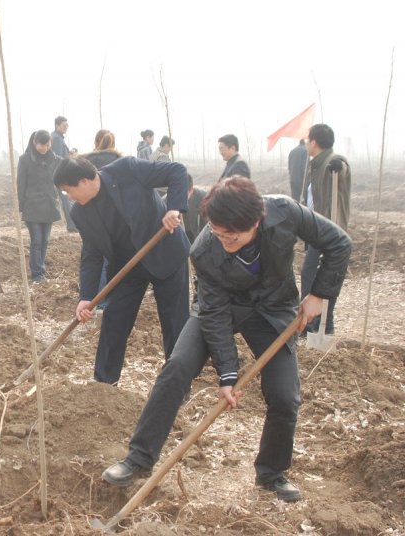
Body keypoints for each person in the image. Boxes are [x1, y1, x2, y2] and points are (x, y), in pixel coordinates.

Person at [101, 177, 351, 503]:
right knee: (177, 367)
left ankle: (271, 474)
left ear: (256, 222)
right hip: (220, 307)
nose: (224, 240)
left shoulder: (285, 212)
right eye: (218, 232)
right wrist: (228, 374)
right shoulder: (204, 250)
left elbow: (338, 243)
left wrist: (318, 294)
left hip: (272, 310)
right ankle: (138, 459)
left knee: (284, 396)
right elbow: (215, 315)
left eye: (232, 235)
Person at [54, 156, 190, 385]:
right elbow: (92, 254)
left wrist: (173, 208)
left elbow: (177, 171)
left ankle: (177, 385)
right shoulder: (80, 213)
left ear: (84, 181)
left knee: (174, 323)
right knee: (114, 319)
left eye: (68, 190)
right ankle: (104, 383)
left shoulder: (127, 170)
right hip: (127, 268)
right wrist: (86, 296)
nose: (69, 197)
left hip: (165, 252)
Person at [300, 124, 351, 336]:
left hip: (328, 231)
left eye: (307, 141)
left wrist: (339, 167)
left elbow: (343, 169)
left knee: (317, 276)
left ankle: (319, 326)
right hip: (316, 231)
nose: (305, 144)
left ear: (314, 142)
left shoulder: (333, 161)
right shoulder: (315, 165)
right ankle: (315, 325)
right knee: (310, 274)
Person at [82, 129, 122, 309]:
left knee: (94, 257)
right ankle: (106, 301)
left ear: (96, 142)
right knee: (111, 261)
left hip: (91, 218)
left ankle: (96, 300)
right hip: (115, 219)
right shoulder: (119, 162)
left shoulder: (85, 162)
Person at [17, 130, 62, 283]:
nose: (44, 148)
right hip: (32, 205)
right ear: (35, 142)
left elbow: (65, 171)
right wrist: (20, 206)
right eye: (42, 145)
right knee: (36, 240)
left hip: (49, 205)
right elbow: (20, 184)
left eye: (47, 145)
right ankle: (37, 274)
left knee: (45, 240)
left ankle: (40, 270)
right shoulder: (25, 160)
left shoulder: (55, 159)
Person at [51, 116, 78, 232]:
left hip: (60, 173)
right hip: (60, 174)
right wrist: (69, 158)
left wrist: (68, 154)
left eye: (67, 125)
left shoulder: (58, 137)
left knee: (67, 200)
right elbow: (56, 158)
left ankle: (72, 225)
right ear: (57, 125)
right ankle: (72, 225)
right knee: (67, 200)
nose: (66, 127)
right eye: (64, 125)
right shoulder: (56, 138)